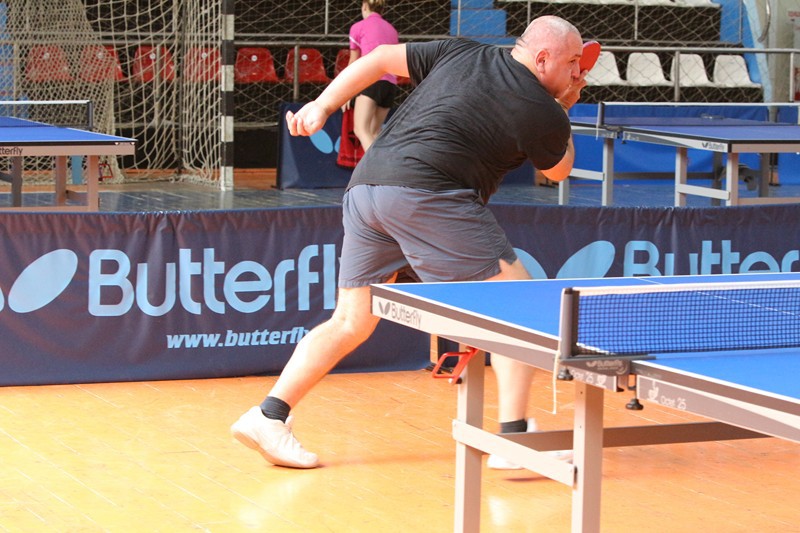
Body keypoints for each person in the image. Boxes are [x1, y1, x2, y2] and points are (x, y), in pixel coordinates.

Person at [231, 15, 587, 469]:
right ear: (542, 58)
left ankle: (269, 415)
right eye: (573, 62)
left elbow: (380, 58)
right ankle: (513, 438)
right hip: (429, 196)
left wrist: (321, 106)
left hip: (368, 189)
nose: (578, 72)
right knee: (518, 306)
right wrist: (563, 109)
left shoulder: (461, 50)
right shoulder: (540, 108)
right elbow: (559, 169)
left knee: (351, 321)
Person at [344, 0, 399, 151]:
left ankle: (377, 166)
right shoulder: (392, 30)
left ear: (364, 6)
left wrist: (346, 93)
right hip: (390, 84)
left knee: (361, 130)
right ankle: (384, 163)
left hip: (371, 80)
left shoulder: (358, 27)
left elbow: (353, 62)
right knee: (375, 132)